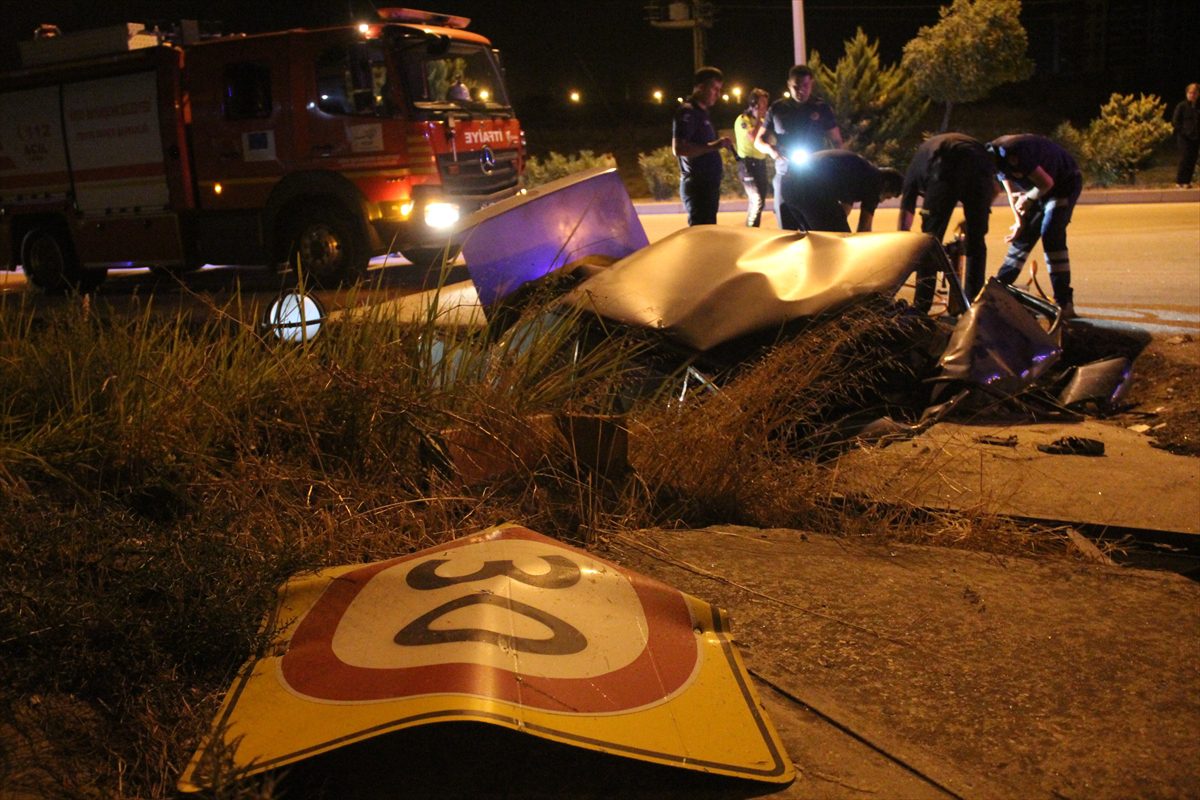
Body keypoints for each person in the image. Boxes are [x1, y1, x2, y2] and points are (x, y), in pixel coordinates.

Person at [988, 133, 1083, 317]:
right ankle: (998, 291)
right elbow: (1012, 194)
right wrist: (1019, 222)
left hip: (1063, 183)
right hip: (1038, 188)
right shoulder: (995, 160)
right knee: (1023, 237)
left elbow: (1046, 183)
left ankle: (1064, 303)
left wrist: (1028, 197)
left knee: (1051, 233)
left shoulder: (1013, 153)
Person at [898, 133, 997, 308]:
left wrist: (902, 240)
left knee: (930, 241)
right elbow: (994, 188)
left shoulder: (913, 173)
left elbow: (907, 210)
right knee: (976, 239)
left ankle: (922, 305)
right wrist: (977, 215)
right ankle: (974, 304)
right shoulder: (924, 158)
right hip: (981, 163)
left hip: (945, 163)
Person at [754, 64, 844, 229]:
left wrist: (836, 167)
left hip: (815, 175)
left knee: (816, 228)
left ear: (812, 84)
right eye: (796, 86)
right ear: (789, 84)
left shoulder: (821, 108)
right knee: (786, 229)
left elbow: (837, 141)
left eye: (805, 86)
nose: (800, 90)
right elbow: (758, 141)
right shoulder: (777, 108)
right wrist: (771, 150)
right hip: (785, 174)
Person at [782, 149, 902, 233]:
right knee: (839, 242)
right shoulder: (875, 182)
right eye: (888, 196)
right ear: (886, 184)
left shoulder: (862, 172)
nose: (884, 200)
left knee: (814, 239)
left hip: (788, 185)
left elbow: (844, 210)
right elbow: (864, 230)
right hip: (811, 189)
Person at [671, 66, 733, 226]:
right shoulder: (688, 112)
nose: (717, 94)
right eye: (714, 88)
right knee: (701, 238)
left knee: (709, 236)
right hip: (698, 187)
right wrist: (714, 146)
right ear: (700, 86)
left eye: (720, 89)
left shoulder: (702, 112)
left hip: (708, 187)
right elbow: (679, 148)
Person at [733, 88, 771, 227]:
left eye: (766, 103)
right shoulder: (744, 120)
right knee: (757, 200)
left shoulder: (761, 120)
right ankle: (750, 232)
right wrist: (761, 119)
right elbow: (754, 137)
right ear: (753, 103)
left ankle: (753, 230)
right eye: (762, 103)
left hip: (761, 163)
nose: (764, 107)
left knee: (760, 202)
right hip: (748, 165)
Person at [1171, 83, 1199, 188]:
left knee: (1192, 159)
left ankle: (1187, 182)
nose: (1192, 95)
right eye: (1190, 93)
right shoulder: (1182, 106)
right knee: (1184, 158)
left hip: (1195, 138)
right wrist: (1184, 132)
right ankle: (1179, 181)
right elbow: (1175, 121)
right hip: (1184, 138)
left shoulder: (1197, 107)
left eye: (1195, 93)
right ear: (1187, 94)